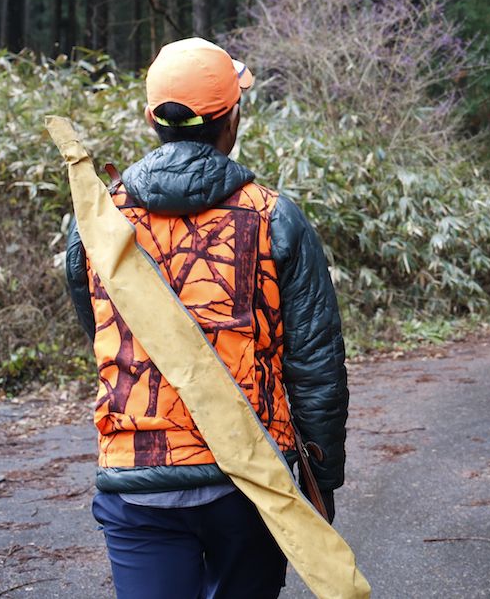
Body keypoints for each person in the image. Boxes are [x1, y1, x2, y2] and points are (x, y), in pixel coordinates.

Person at [64, 37, 349, 599]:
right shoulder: (274, 218)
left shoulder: (97, 220)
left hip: (135, 477)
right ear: (232, 117)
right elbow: (316, 369)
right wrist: (322, 477)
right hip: (250, 480)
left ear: (153, 119)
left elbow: (100, 330)